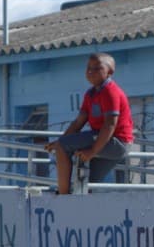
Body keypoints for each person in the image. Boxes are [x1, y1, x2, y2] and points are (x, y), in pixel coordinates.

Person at [46, 53, 134, 194]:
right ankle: (81, 202)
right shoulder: (91, 94)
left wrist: (93, 151)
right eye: (88, 68)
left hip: (117, 142)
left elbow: (109, 125)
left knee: (63, 147)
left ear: (109, 72)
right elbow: (79, 122)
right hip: (104, 140)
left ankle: (63, 195)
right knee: (88, 182)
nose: (90, 72)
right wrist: (61, 140)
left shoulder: (110, 92)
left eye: (97, 68)